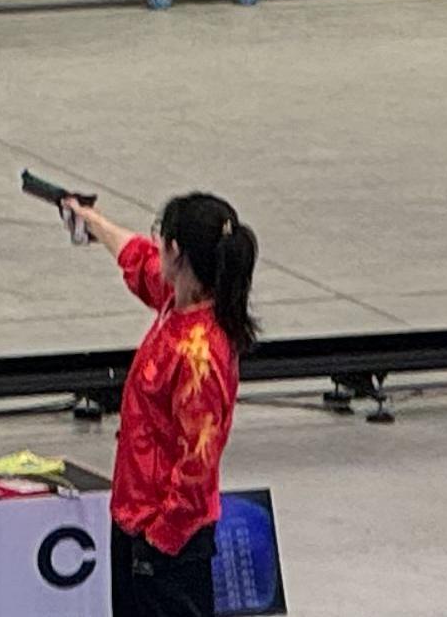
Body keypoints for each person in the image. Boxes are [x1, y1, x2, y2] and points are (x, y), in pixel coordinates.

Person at [54, 188, 260, 617]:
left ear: (177, 252)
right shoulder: (177, 299)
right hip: (133, 522)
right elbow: (136, 258)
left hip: (166, 544)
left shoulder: (199, 355)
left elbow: (198, 465)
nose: (155, 247)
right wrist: (92, 221)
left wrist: (158, 540)